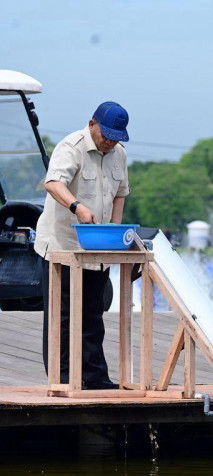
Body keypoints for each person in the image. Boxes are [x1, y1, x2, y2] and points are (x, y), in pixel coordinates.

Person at [35, 101, 131, 390]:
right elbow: (53, 183)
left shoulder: (119, 154)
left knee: (93, 310)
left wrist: (114, 229)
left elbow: (120, 194)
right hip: (62, 245)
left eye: (117, 137)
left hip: (97, 246)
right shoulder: (71, 146)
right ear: (92, 124)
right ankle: (62, 377)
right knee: (62, 313)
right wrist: (77, 207)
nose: (110, 142)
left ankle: (94, 376)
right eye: (106, 135)